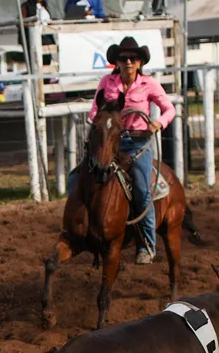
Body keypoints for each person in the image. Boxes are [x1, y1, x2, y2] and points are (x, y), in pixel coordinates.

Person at [69, 37, 175, 265]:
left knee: (141, 188)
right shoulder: (107, 82)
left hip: (137, 143)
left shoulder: (149, 84)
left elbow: (169, 109)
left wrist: (158, 123)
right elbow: (95, 109)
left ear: (139, 62)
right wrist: (97, 123)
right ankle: (78, 228)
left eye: (133, 58)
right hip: (110, 142)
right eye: (123, 58)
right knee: (77, 177)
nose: (128, 61)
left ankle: (147, 243)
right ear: (116, 62)